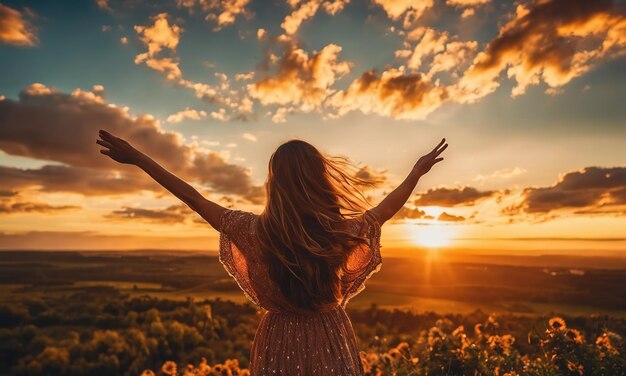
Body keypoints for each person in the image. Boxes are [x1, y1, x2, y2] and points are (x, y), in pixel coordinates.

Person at [96, 130, 447, 375]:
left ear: (274, 182)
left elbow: (194, 199)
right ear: (318, 179)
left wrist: (140, 158)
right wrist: (415, 173)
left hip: (278, 339)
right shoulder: (336, 232)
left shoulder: (253, 231)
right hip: (330, 334)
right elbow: (383, 211)